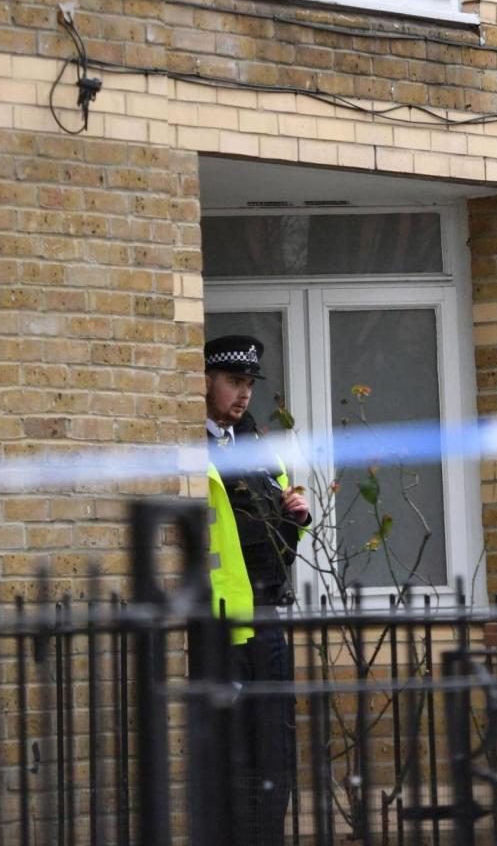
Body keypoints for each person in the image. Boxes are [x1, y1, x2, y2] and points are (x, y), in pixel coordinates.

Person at [204, 333, 310, 846]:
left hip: (268, 616)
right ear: (204, 381)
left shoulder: (259, 447)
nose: (243, 395)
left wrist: (297, 518)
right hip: (220, 624)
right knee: (227, 748)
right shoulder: (190, 447)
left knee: (274, 745)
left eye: (248, 384)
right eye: (232, 382)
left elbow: (280, 539)